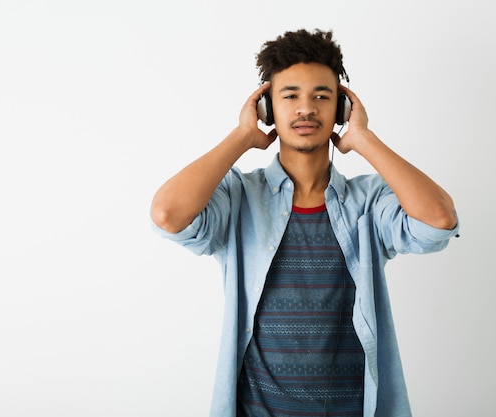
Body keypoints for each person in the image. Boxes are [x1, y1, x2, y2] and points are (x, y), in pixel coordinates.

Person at [150, 28, 459, 417]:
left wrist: (363, 139)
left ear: (342, 110)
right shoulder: (239, 196)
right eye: (290, 95)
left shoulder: (369, 201)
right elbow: (167, 215)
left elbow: (438, 221)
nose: (306, 109)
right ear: (266, 108)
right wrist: (242, 136)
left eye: (321, 96)